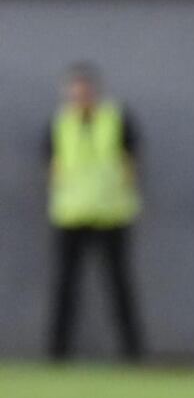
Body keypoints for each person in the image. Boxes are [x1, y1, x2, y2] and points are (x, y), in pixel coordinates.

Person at [45, 62, 144, 360]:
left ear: (95, 91)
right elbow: (52, 165)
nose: (81, 96)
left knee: (119, 287)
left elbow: (131, 162)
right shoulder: (60, 123)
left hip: (111, 215)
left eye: (85, 90)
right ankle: (57, 353)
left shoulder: (115, 119)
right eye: (75, 91)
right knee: (65, 287)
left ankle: (132, 353)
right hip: (70, 215)